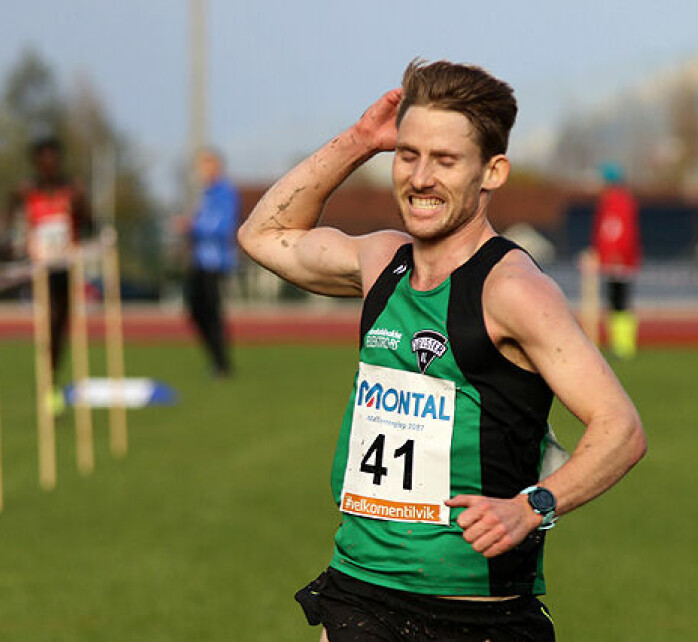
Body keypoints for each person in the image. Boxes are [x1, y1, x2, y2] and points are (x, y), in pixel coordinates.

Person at [238, 60, 646, 641]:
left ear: (492, 172)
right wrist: (360, 142)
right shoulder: (381, 260)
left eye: (445, 160)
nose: (420, 178)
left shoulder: (514, 292)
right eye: (408, 155)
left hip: (477, 613)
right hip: (361, 590)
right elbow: (264, 235)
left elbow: (621, 428)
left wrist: (533, 505)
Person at [8, 134, 94, 398]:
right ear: (37, 163)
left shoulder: (72, 189)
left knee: (60, 323)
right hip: (39, 266)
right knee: (49, 320)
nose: (49, 165)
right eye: (43, 161)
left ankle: (52, 375)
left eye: (53, 160)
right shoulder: (26, 190)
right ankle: (49, 378)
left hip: (65, 264)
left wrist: (82, 206)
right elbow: (9, 220)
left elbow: (91, 224)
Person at [182, 148, 239, 377]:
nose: (200, 171)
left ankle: (222, 363)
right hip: (200, 260)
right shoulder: (207, 194)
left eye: (204, 165)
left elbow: (222, 226)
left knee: (212, 312)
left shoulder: (224, 193)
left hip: (215, 263)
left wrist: (192, 227)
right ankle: (216, 359)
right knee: (195, 309)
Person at [592, 162, 642, 359]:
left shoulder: (620, 203)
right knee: (614, 301)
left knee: (620, 300)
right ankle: (618, 342)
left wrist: (616, 252)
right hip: (613, 259)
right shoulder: (610, 203)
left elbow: (619, 230)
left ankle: (624, 344)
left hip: (620, 260)